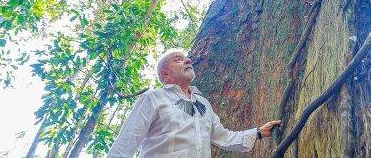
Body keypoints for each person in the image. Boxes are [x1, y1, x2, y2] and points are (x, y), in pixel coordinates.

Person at [108, 49, 282, 157]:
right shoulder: (153, 98)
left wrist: (258, 133)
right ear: (165, 74)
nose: (188, 60)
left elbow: (223, 136)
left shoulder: (203, 104)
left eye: (186, 58)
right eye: (178, 59)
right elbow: (127, 141)